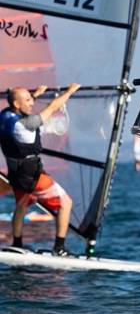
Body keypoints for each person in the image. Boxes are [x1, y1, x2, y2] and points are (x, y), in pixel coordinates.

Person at [0, 83, 81, 255]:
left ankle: (17, 244)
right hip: (32, 175)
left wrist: (35, 94)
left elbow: (19, 105)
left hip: (15, 173)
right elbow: (53, 107)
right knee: (66, 203)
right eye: (28, 100)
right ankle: (59, 248)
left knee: (21, 206)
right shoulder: (27, 123)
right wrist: (70, 92)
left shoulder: (5, 115)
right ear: (16, 104)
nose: (32, 103)